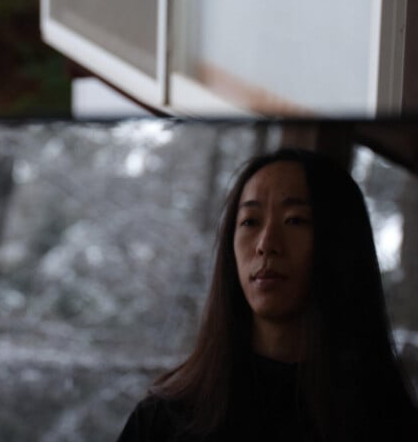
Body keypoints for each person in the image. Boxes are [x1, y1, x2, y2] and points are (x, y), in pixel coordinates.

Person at [115, 147, 418, 441]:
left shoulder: (387, 424)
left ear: (340, 242)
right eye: (250, 222)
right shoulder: (164, 419)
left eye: (295, 220)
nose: (266, 244)